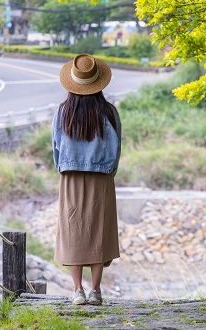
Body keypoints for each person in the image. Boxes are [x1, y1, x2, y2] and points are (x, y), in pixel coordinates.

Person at [52, 53, 121, 306]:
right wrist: (109, 171)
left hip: (70, 176)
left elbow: (56, 147)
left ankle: (77, 290)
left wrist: (64, 168)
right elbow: (116, 148)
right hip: (101, 177)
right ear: (98, 82)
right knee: (98, 230)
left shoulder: (64, 111)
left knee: (73, 230)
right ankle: (96, 291)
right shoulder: (109, 112)